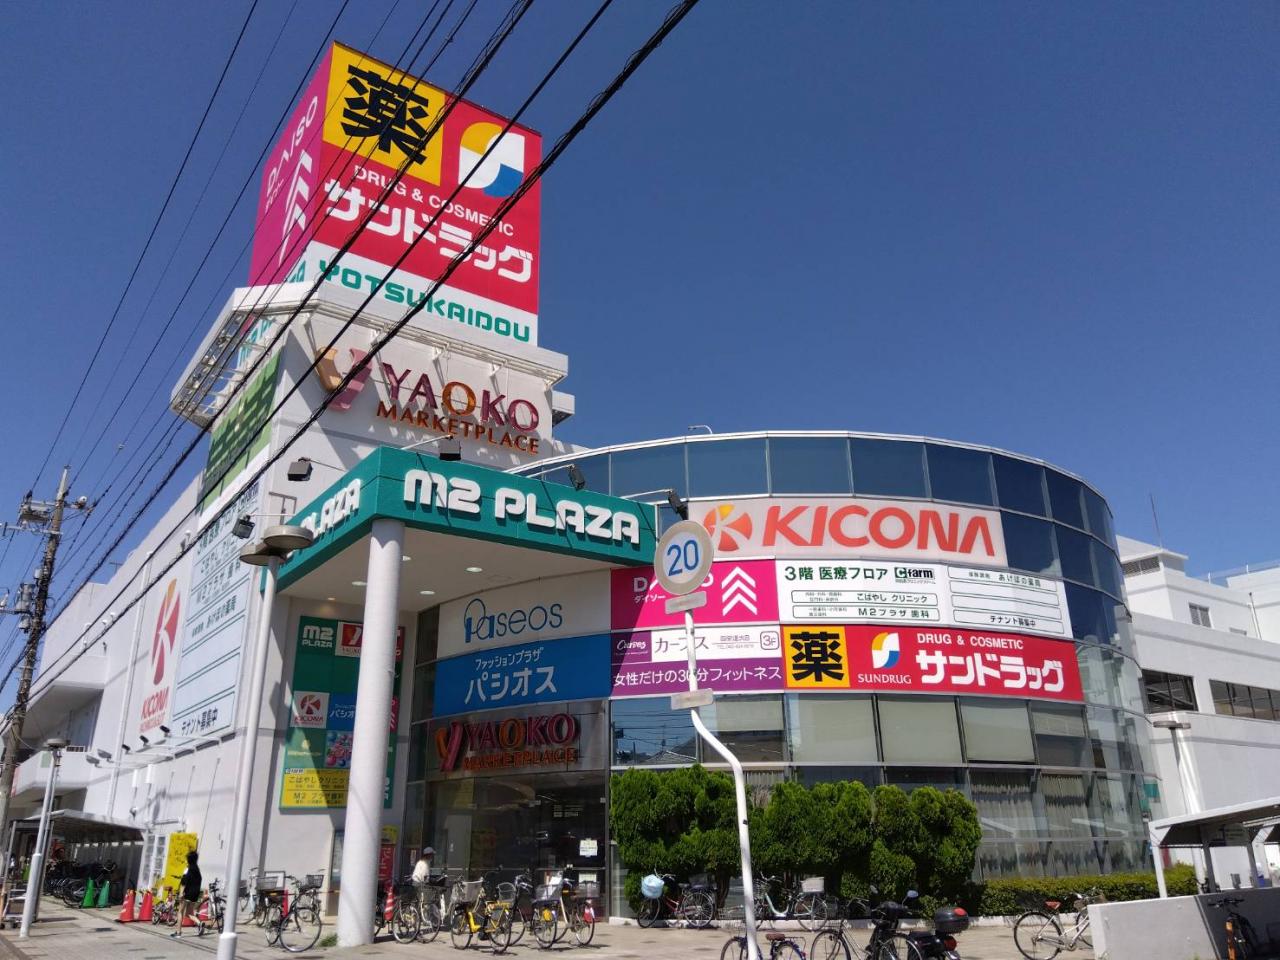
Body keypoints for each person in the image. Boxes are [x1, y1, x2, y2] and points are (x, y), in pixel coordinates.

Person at [170, 851, 202, 938]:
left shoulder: (188, 869)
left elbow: (184, 882)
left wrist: (181, 892)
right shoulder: (197, 870)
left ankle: (178, 932)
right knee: (189, 913)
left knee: (180, 912)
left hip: (187, 893)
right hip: (195, 894)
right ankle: (200, 923)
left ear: (188, 859)